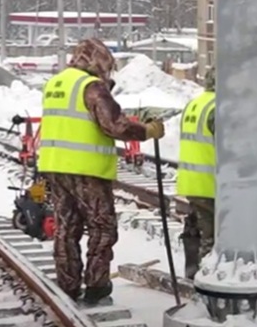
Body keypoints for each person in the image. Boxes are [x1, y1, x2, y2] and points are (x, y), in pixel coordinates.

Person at [39, 38, 165, 304]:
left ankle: (68, 284)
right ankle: (97, 285)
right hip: (87, 169)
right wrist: (148, 130)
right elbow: (115, 126)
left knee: (67, 227)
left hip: (54, 166)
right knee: (102, 227)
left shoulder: (56, 83)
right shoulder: (91, 87)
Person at [176, 67, 217, 278]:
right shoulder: (219, 108)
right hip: (211, 185)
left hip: (192, 181)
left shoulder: (195, 104)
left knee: (196, 228)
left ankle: (192, 271)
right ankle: (207, 280)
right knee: (212, 237)